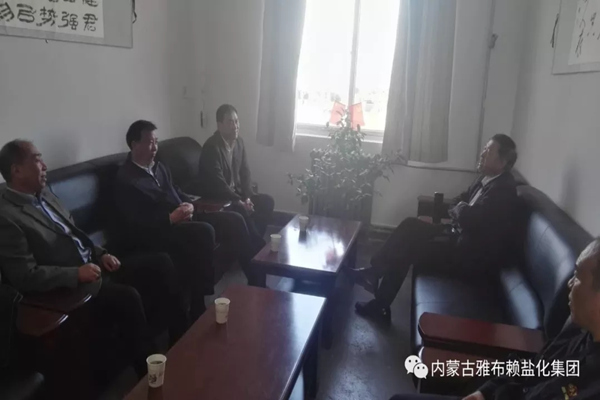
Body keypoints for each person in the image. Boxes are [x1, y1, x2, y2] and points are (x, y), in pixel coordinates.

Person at [0, 140, 189, 378]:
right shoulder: (6, 217)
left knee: (160, 263)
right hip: (70, 285)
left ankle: (183, 338)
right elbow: (24, 276)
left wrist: (101, 254)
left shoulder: (45, 194)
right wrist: (76, 274)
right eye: (37, 160)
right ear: (17, 170)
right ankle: (150, 374)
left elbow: (75, 234)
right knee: (128, 297)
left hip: (95, 264)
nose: (45, 166)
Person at [389, 238, 600, 400]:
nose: (570, 284)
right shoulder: (576, 332)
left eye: (578, 276)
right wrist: (485, 392)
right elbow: (534, 367)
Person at [353, 134, 519, 324]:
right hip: (456, 235)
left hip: (468, 255)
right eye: (484, 149)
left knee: (407, 248)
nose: (482, 154)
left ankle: (377, 291)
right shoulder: (486, 178)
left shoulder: (503, 190)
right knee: (410, 225)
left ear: (503, 162)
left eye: (488, 151)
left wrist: (461, 211)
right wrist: (461, 210)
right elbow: (457, 201)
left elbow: (469, 218)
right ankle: (375, 274)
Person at [114, 121, 265, 311]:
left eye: (156, 142)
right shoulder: (127, 180)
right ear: (134, 145)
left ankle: (256, 280)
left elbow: (176, 191)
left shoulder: (158, 167)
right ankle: (198, 303)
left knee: (234, 219)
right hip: (163, 230)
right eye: (150, 143)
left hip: (185, 216)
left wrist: (190, 204)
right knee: (204, 231)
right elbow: (137, 223)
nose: (155, 148)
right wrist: (170, 218)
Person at [199, 104, 275, 241]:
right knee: (241, 211)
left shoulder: (239, 142)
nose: (235, 126)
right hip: (220, 199)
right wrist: (239, 202)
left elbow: (245, 173)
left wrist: (248, 197)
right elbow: (219, 185)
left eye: (236, 121)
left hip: (237, 194)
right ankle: (257, 245)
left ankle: (255, 241)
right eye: (230, 122)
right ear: (219, 125)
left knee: (267, 201)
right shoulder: (211, 148)